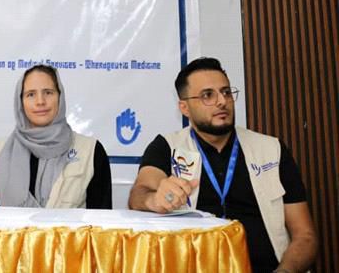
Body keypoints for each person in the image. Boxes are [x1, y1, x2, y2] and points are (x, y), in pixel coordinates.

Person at [128, 57, 317, 273]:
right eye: (208, 95)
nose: (222, 101)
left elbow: (305, 235)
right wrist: (154, 199)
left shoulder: (271, 149)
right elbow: (139, 194)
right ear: (184, 108)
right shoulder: (166, 147)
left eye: (226, 92)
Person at [0, 65, 112, 208]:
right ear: (20, 102)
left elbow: (101, 218)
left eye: (48, 92)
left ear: (60, 97)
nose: (40, 101)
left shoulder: (91, 151)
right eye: (31, 94)